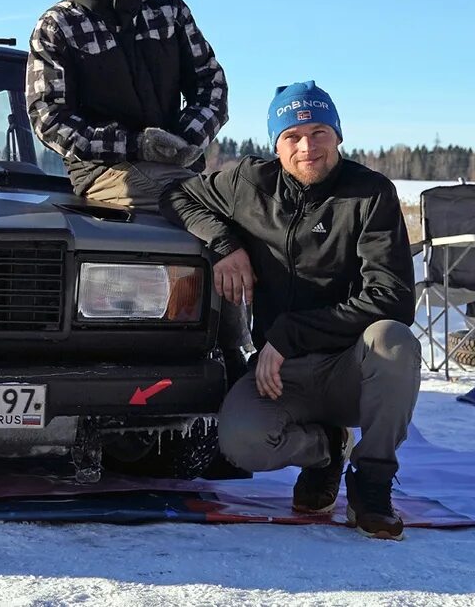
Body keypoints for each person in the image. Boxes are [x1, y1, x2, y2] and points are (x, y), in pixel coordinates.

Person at [160, 81, 420, 539]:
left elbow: (394, 298)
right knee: (241, 442)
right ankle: (325, 450)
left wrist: (289, 334)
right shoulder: (248, 183)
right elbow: (178, 196)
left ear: (338, 135)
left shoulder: (370, 193)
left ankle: (372, 483)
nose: (307, 147)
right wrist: (225, 245)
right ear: (275, 144)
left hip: (350, 367)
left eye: (319, 132)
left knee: (394, 340)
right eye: (292, 136)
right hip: (282, 373)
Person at [26, 0, 229, 210]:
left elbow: (211, 84)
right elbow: (49, 118)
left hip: (176, 168)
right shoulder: (59, 25)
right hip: (102, 172)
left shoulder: (169, 10)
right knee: (198, 208)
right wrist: (136, 145)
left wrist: (185, 140)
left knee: (243, 198)